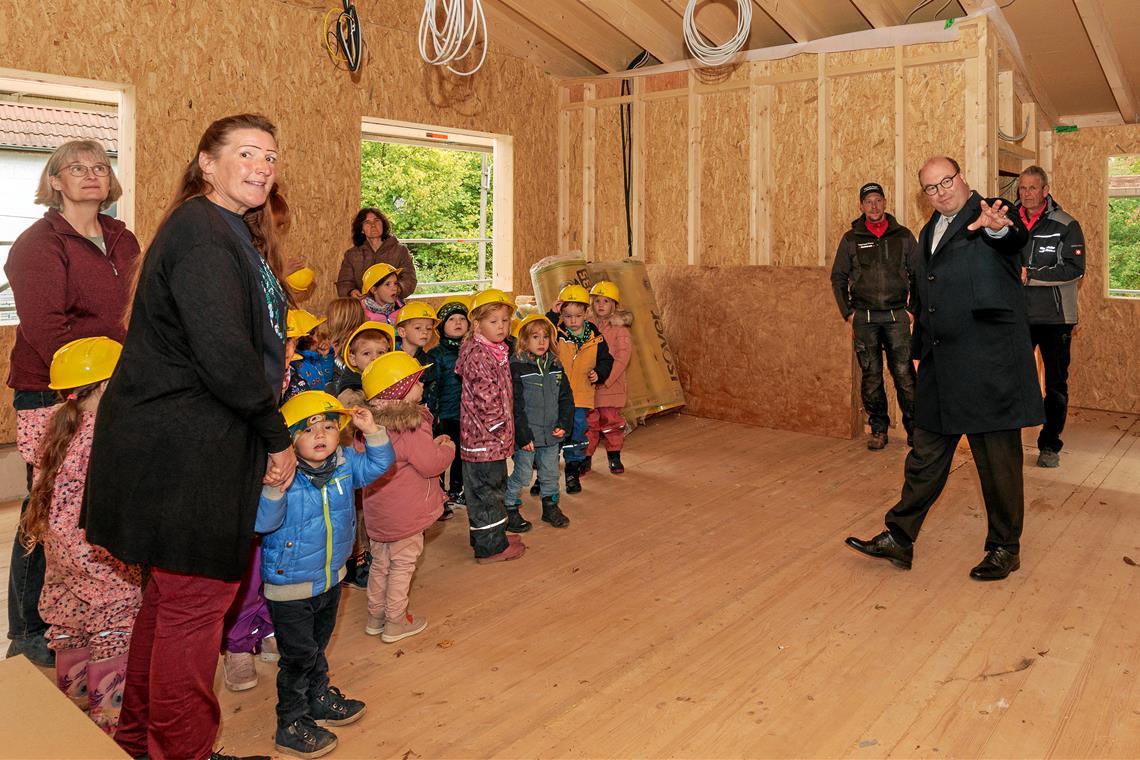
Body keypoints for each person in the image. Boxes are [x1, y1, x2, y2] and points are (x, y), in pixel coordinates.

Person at [81, 113, 297, 760]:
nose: (261, 165)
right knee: (193, 608)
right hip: (185, 455)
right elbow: (227, 358)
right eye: (245, 152)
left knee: (172, 601)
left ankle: (144, 743)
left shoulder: (226, 229)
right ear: (206, 162)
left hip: (185, 445)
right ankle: (183, 750)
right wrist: (275, 436)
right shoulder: (205, 236)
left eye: (270, 156)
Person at [846, 156, 1041, 582]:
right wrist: (918, 351)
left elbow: (1012, 238)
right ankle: (900, 536)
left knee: (997, 463)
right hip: (941, 364)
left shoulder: (991, 213)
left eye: (946, 182)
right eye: (930, 188)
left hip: (989, 365)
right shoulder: (928, 231)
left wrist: (996, 227)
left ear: (962, 178)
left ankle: (1005, 548)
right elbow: (924, 295)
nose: (940, 192)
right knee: (926, 454)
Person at [4, 139, 140, 667]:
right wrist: (85, 391)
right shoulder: (38, 244)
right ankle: (28, 625)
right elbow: (46, 329)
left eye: (100, 167)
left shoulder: (122, 237)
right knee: (48, 510)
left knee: (93, 506)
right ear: (55, 181)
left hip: (114, 389)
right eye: (76, 168)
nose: (90, 175)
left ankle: (92, 614)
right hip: (54, 391)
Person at [257, 392, 393, 758]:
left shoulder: (346, 464)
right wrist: (272, 489)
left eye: (329, 426)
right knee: (298, 657)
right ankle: (291, 722)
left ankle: (317, 698)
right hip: (290, 587)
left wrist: (372, 430)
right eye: (308, 429)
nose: (321, 435)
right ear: (289, 439)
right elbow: (262, 523)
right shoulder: (281, 475)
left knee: (316, 647)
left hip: (332, 577)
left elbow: (380, 464)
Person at [18, 337, 141, 733]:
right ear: (107, 385)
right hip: (101, 559)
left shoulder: (52, 422)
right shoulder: (107, 434)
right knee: (113, 629)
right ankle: (110, 734)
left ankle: (75, 729)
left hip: (63, 560)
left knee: (72, 627)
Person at [359, 352, 452, 643]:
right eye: (416, 381)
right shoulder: (409, 424)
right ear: (399, 391)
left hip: (378, 513)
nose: (422, 385)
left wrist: (430, 444)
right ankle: (396, 621)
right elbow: (430, 463)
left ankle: (376, 616)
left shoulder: (367, 428)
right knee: (403, 564)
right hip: (406, 514)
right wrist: (446, 447)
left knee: (380, 562)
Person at [830, 182, 919, 449]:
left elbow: (918, 274)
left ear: (885, 202)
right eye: (868, 201)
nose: (874, 205)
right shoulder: (851, 238)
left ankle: (916, 430)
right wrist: (848, 313)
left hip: (897, 317)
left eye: (878, 200)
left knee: (904, 373)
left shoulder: (903, 235)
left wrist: (912, 309)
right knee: (871, 375)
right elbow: (838, 277)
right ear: (861, 206)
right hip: (865, 318)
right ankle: (878, 429)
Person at [1014, 165, 1086, 468]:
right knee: (1013, 380)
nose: (1027, 194)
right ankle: (1008, 443)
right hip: (1017, 317)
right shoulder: (1007, 223)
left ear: (1045, 190)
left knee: (1056, 384)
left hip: (1056, 318)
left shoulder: (1066, 224)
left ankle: (1049, 444)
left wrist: (1030, 275)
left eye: (1033, 188)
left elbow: (1073, 268)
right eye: (1023, 188)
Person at [455, 289, 527, 564]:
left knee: (493, 488)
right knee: (486, 492)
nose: (501, 326)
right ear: (478, 324)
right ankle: (490, 549)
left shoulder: (492, 350)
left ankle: (493, 536)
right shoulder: (479, 356)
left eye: (505, 321)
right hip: (484, 441)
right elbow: (488, 402)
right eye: (494, 321)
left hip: (489, 441)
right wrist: (503, 431)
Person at [504, 315, 573, 530]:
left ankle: (551, 508)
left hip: (551, 434)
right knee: (523, 474)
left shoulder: (555, 364)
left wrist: (564, 423)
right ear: (524, 340)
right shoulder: (516, 367)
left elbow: (566, 398)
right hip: (528, 437)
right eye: (535, 337)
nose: (541, 342)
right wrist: (522, 434)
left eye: (545, 337)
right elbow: (514, 404)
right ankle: (510, 507)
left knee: (551, 474)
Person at [546, 284, 613, 495]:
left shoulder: (596, 337)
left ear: (586, 313)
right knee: (554, 433)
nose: (573, 320)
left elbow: (606, 360)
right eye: (567, 316)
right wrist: (551, 314)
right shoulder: (555, 334)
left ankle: (572, 472)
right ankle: (546, 475)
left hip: (581, 396)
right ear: (561, 315)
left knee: (577, 432)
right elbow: (538, 334)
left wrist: (599, 373)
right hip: (556, 396)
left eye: (577, 315)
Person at [425, 295, 470, 518]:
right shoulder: (436, 355)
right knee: (442, 458)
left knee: (463, 455)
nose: (458, 323)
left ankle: (457, 491)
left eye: (462, 318)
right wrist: (435, 415)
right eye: (452, 319)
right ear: (442, 326)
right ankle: (439, 496)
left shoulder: (472, 350)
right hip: (445, 415)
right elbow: (433, 389)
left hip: (468, 416)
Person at [586, 281, 633, 474]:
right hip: (589, 385)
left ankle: (614, 456)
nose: (601, 305)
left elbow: (623, 358)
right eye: (597, 301)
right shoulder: (587, 327)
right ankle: (585, 458)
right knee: (589, 424)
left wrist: (606, 379)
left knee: (611, 422)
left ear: (614, 304)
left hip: (610, 386)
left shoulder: (620, 330)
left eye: (606, 301)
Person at [336, 208, 417, 298]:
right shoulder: (352, 255)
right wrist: (351, 292)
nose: (373, 225)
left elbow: (410, 279)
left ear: (383, 224)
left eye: (376, 221)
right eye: (367, 222)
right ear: (361, 229)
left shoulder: (400, 251)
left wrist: (397, 289)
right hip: (362, 308)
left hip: (393, 307)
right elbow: (344, 282)